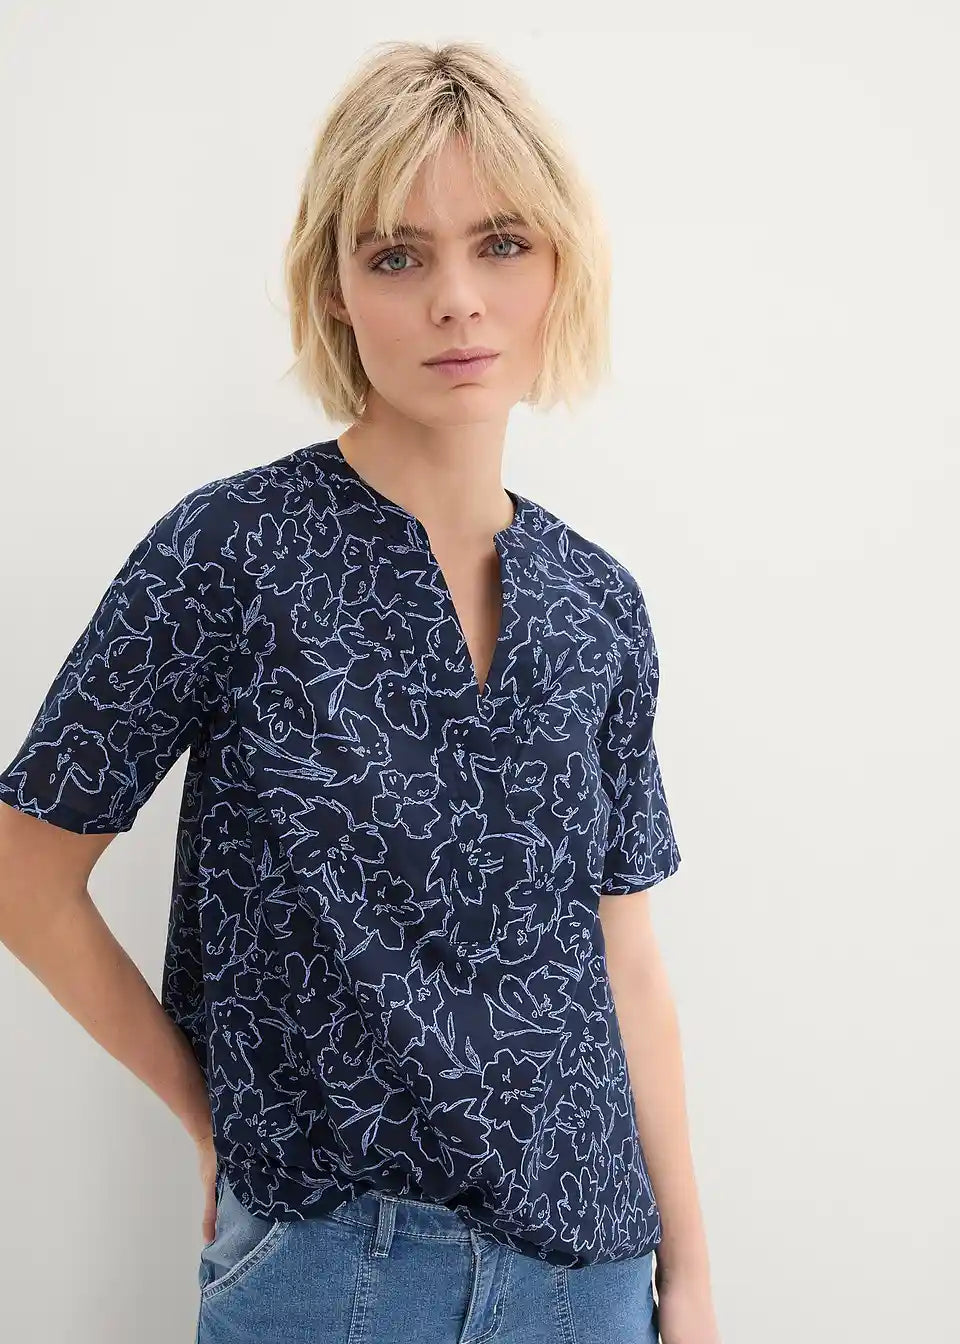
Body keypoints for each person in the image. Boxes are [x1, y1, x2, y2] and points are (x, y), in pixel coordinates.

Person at [0, 39, 720, 1344]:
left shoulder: (599, 603)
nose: (458, 300)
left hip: (594, 1273)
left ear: (560, 267)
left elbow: (628, 962)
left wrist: (697, 1279)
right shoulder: (230, 553)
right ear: (334, 289)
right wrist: (207, 1113)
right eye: (397, 256)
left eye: (502, 244)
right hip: (334, 1270)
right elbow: (22, 873)